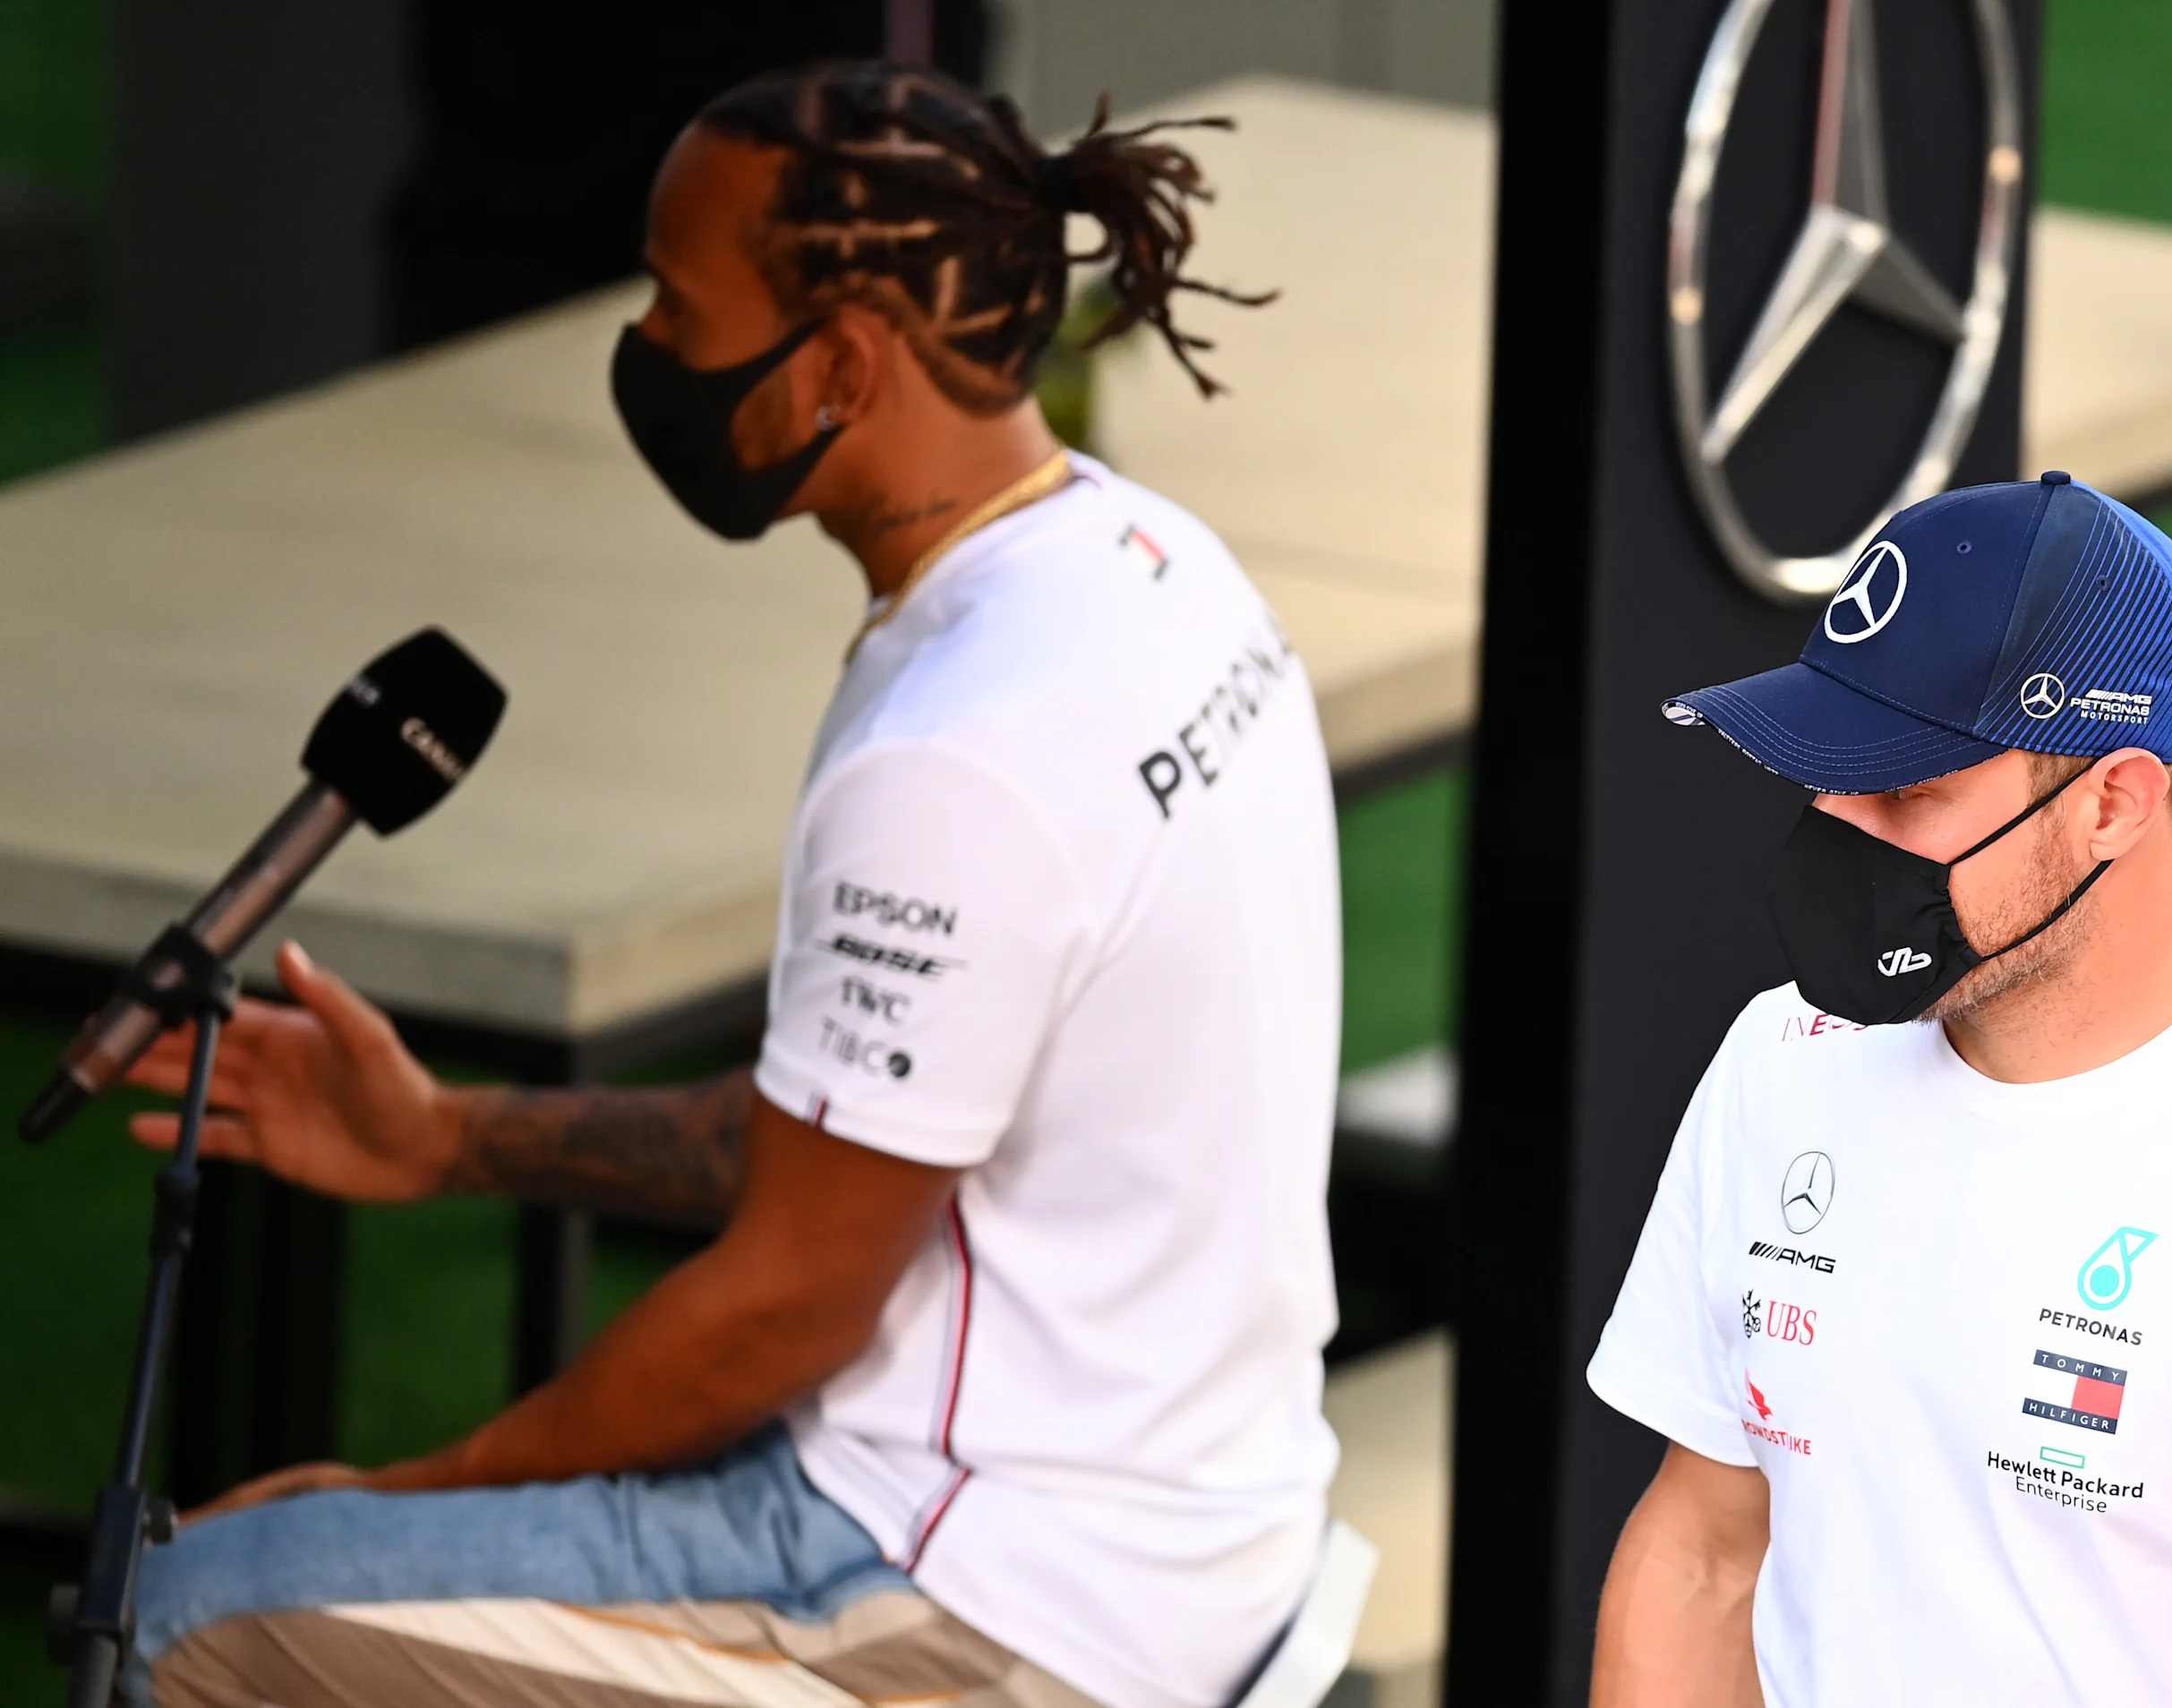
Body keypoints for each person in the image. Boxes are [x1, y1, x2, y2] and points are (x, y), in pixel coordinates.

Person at [118, 63, 1341, 1708]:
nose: (650, 352)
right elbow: (849, 1138)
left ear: (839, 363)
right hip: (1198, 1527)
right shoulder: (1157, 569)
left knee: (186, 1621)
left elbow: (782, 1311)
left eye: (676, 306)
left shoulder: (955, 754)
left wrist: (409, 1499)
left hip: (981, 1594)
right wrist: (456, 1135)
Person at [1587, 471, 2172, 1707]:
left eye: (1907, 789)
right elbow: (1705, 1554)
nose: (1836, 829)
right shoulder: (1784, 1062)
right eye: (1827, 776)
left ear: (2113, 802)